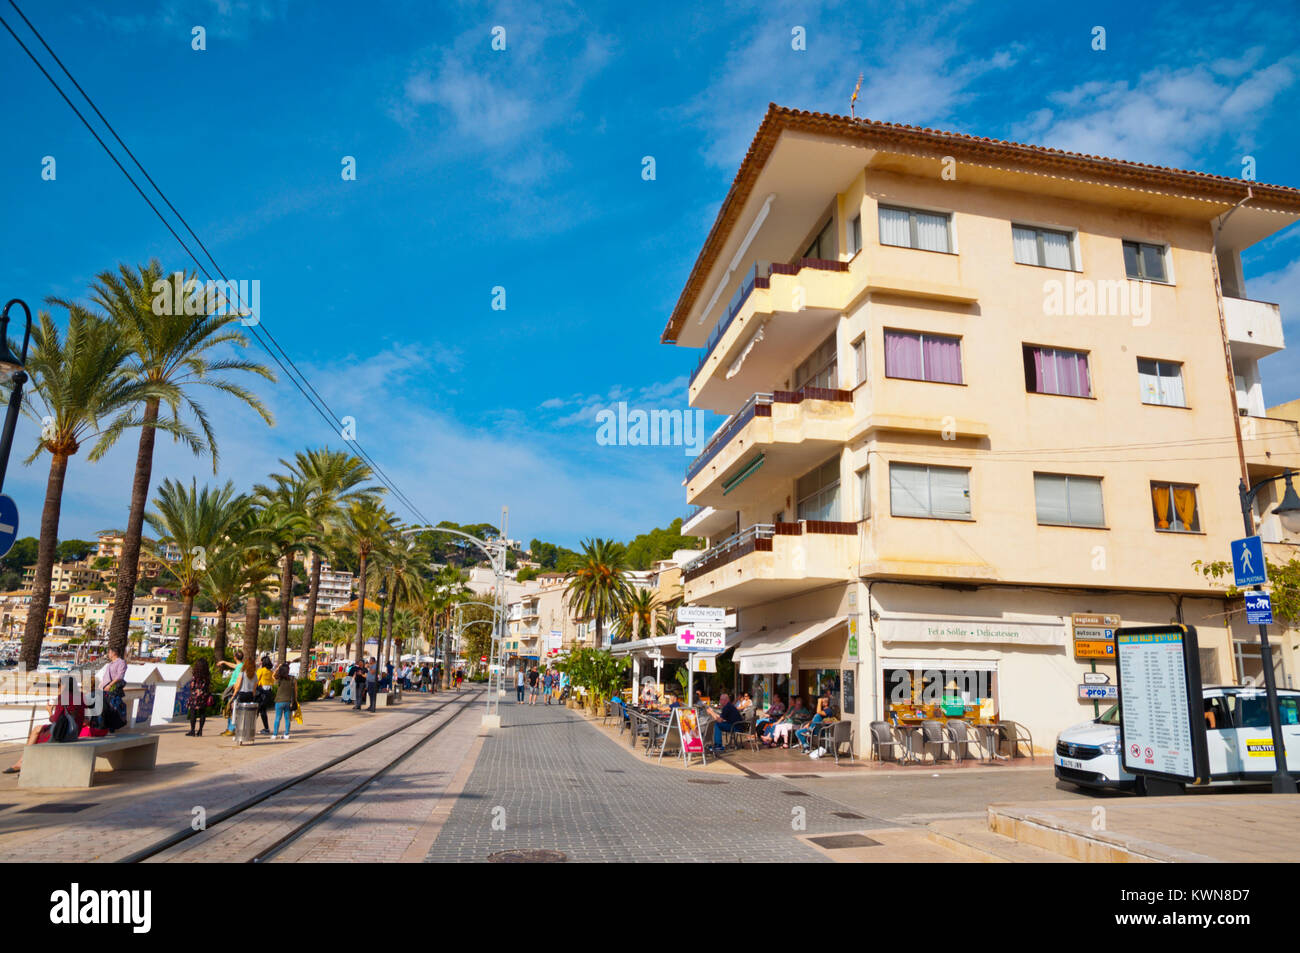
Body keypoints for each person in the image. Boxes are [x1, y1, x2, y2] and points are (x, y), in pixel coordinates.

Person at [4, 676, 86, 774]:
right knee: (39, 729)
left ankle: (22, 763)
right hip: (75, 733)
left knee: (36, 731)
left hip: (63, 733)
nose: (59, 687)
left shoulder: (63, 697)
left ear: (64, 685)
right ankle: (24, 764)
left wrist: (49, 711)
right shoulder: (81, 696)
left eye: (59, 685)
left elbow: (55, 720)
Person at [797, 689, 838, 755]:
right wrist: (808, 723)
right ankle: (806, 747)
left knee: (818, 716)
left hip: (821, 729)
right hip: (813, 727)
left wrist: (819, 701)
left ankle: (809, 730)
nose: (822, 702)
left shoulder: (829, 710)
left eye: (824, 701)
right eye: (822, 700)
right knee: (798, 732)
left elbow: (818, 712)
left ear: (827, 702)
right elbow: (814, 718)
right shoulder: (821, 709)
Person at [96, 646, 129, 727]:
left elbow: (119, 676)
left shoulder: (121, 662)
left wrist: (110, 685)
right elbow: (105, 677)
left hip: (113, 689)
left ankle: (112, 726)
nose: (108, 654)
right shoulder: (110, 664)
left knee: (112, 707)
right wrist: (100, 686)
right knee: (104, 708)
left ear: (114, 653)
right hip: (105, 689)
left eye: (109, 652)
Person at [186, 658, 212, 736]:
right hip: (204, 695)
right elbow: (208, 685)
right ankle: (200, 731)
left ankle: (192, 730)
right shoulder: (207, 675)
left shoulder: (195, 675)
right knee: (202, 713)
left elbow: (192, 685)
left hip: (195, 695)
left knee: (193, 712)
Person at [272, 661, 297, 740]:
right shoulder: (293, 678)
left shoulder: (279, 678)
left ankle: (275, 734)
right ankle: (286, 734)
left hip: (279, 701)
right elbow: (296, 691)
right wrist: (294, 701)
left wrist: (278, 667)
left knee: (277, 718)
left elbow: (273, 675)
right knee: (287, 719)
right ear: (288, 670)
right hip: (288, 702)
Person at [255, 655, 275, 735]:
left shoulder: (261, 670)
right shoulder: (271, 672)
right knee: (263, 711)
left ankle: (250, 726)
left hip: (260, 693)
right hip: (268, 693)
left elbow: (256, 681)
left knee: (256, 710)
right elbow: (272, 682)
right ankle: (266, 728)